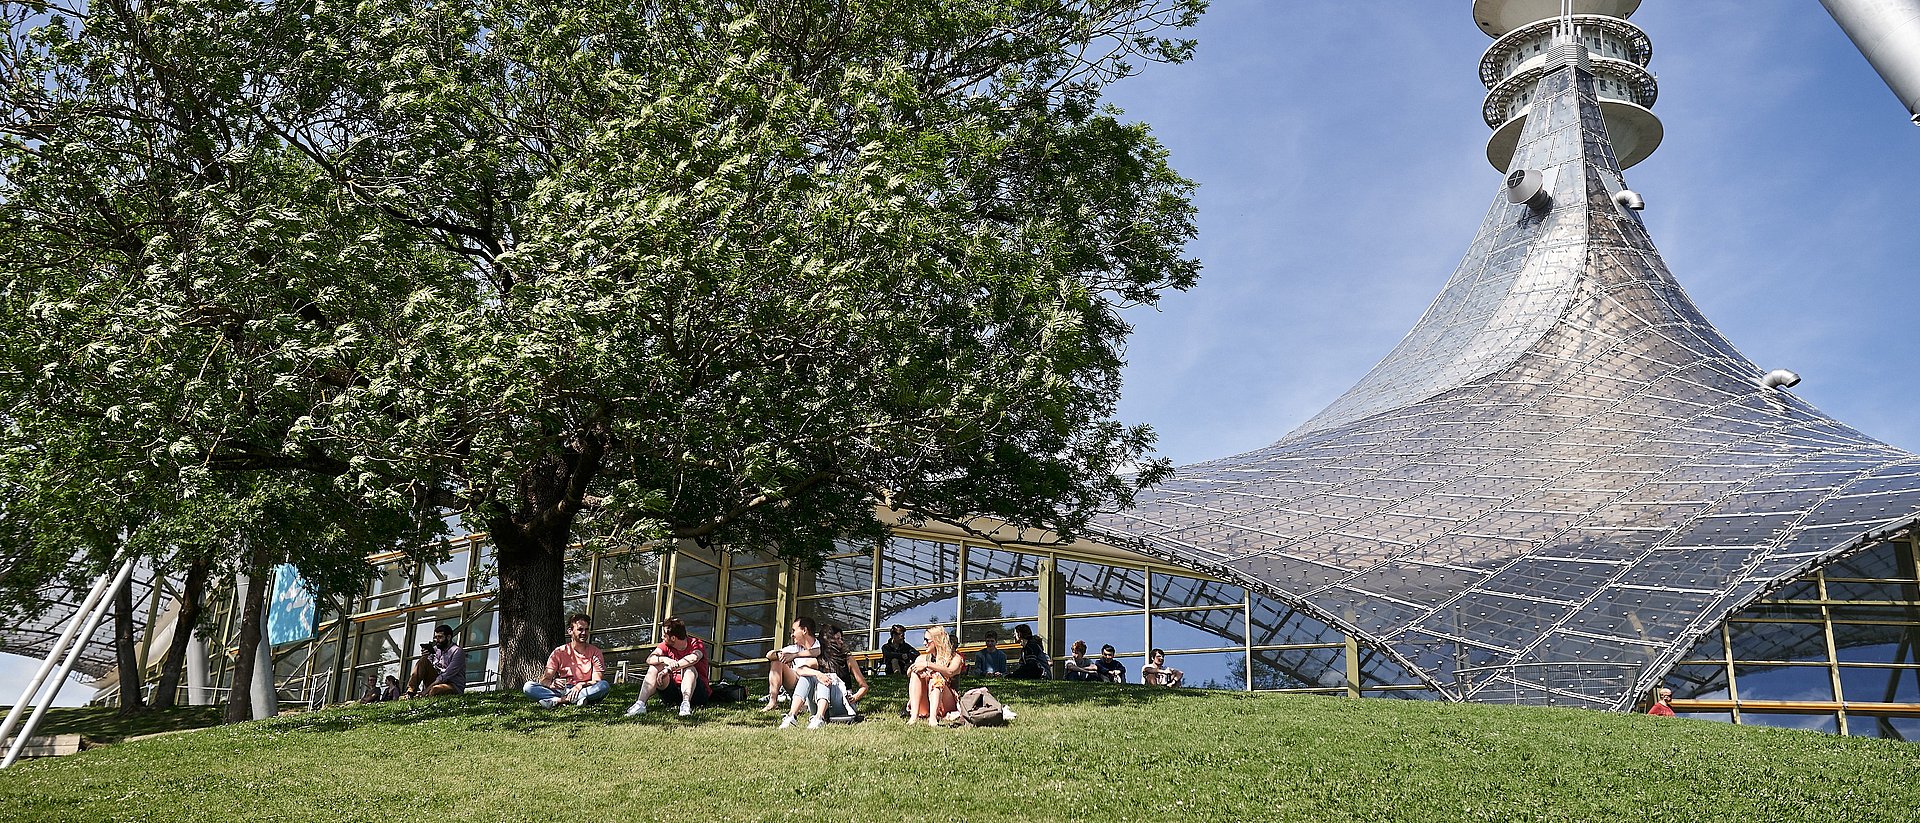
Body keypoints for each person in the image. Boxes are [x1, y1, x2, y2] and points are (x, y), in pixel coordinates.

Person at [781, 624, 870, 729]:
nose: (841, 641)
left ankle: (819, 718)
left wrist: (855, 697)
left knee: (826, 677)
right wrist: (818, 674)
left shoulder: (847, 659)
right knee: (808, 676)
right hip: (820, 703)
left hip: (841, 704)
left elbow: (864, 686)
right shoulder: (819, 659)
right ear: (828, 641)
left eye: (841, 639)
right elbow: (800, 670)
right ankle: (792, 716)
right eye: (837, 639)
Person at [626, 616, 709, 717]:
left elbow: (694, 658)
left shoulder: (695, 643)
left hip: (697, 694)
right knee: (654, 667)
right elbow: (649, 659)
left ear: (673, 638)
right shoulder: (665, 645)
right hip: (672, 693)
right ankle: (640, 704)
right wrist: (664, 659)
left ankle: (686, 704)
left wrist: (669, 669)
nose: (662, 638)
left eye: (664, 635)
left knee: (689, 668)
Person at [524, 612, 611, 708]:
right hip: (562, 690)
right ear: (570, 631)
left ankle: (556, 701)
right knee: (528, 687)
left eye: (586, 629)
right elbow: (545, 680)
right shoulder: (559, 652)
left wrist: (581, 685)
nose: (584, 633)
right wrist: (552, 684)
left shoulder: (595, 652)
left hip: (584, 689)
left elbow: (597, 680)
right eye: (580, 629)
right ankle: (571, 700)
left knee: (604, 686)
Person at [905, 625, 965, 726]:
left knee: (936, 677)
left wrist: (929, 665)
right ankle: (913, 717)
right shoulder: (922, 658)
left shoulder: (955, 658)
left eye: (927, 640)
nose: (924, 643)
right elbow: (908, 673)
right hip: (927, 702)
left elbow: (950, 672)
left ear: (937, 641)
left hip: (947, 703)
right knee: (915, 674)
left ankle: (933, 719)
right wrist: (916, 671)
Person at [762, 616, 819, 711]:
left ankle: (805, 703)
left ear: (804, 630)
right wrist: (780, 656)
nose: (792, 635)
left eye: (794, 631)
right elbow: (769, 655)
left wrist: (794, 656)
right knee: (776, 662)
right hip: (795, 682)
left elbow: (818, 652)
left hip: (814, 684)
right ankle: (772, 702)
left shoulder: (820, 646)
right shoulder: (794, 648)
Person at [406, 625, 466, 697]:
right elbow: (426, 666)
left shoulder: (457, 651)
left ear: (448, 637)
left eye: (440, 637)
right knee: (423, 660)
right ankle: (410, 692)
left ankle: (427, 694)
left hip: (451, 685)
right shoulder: (435, 649)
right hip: (435, 681)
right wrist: (426, 656)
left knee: (435, 690)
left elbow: (445, 676)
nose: (437, 640)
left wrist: (425, 691)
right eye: (436, 637)